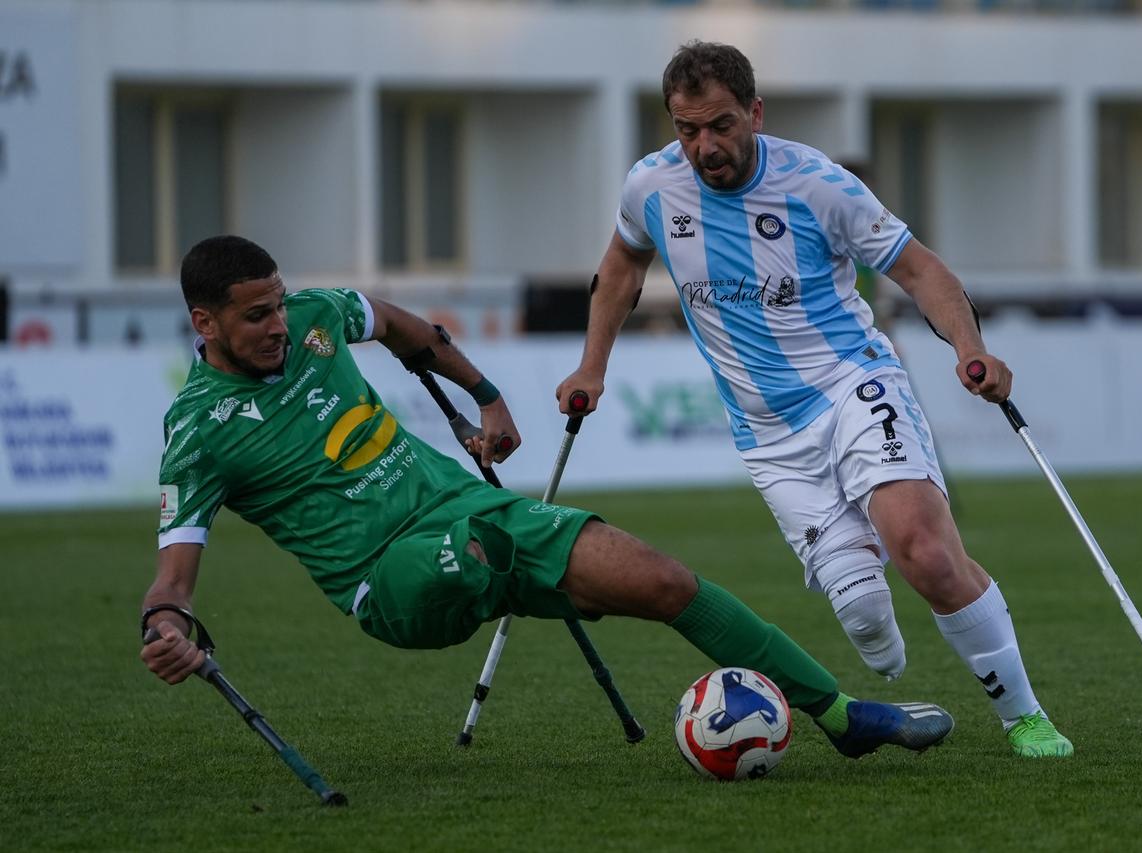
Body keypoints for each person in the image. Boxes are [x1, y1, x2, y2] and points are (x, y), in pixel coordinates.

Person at [139, 234, 955, 763]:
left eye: (279, 303)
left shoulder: (316, 319)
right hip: (387, 581)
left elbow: (396, 324)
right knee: (485, 550)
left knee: (666, 580)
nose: (279, 323)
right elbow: (172, 579)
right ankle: (500, 561)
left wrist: (487, 396)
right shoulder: (199, 432)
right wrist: (167, 627)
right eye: (255, 316)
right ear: (203, 323)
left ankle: (843, 716)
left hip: (473, 511)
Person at [555, 42, 1072, 758]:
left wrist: (970, 347)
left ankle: (1025, 714)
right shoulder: (649, 186)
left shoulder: (816, 183)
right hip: (767, 436)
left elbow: (922, 271)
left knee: (925, 551)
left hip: (853, 386)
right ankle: (890, 660)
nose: (705, 146)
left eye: (722, 125)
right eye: (687, 129)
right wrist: (592, 367)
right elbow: (620, 267)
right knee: (865, 620)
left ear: (755, 113)